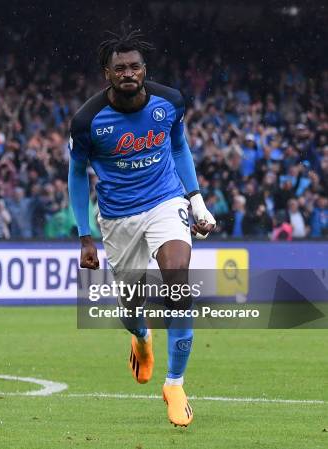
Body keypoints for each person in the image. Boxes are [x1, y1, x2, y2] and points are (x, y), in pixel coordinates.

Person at [68, 30, 215, 427]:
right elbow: (77, 174)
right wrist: (85, 234)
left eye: (134, 66)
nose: (128, 73)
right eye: (120, 68)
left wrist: (195, 199)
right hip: (118, 219)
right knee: (131, 306)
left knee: (177, 281)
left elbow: (179, 147)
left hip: (166, 202)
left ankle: (175, 383)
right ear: (107, 74)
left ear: (144, 70)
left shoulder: (170, 102)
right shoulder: (87, 120)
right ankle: (141, 337)